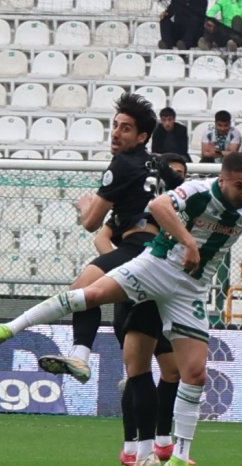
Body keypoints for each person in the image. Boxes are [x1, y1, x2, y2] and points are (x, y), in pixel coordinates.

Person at [0, 152, 242, 466]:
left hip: (191, 290)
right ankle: (10, 328)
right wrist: (188, 241)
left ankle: (178, 460)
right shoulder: (200, 191)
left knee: (195, 373)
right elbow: (158, 206)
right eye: (240, 185)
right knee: (92, 295)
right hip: (157, 266)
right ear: (223, 179)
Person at [34, 92, 158, 385]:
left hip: (137, 248)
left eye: (125, 128)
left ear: (141, 137)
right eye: (115, 125)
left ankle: (80, 355)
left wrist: (87, 206)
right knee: (144, 346)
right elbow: (104, 238)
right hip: (159, 255)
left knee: (81, 291)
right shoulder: (156, 167)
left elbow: (91, 224)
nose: (116, 133)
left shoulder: (122, 165)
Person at [93, 154, 187, 466]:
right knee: (138, 369)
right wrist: (126, 268)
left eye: (181, 175)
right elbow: (101, 235)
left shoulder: (182, 213)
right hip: (134, 291)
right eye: (171, 173)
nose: (176, 179)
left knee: (171, 370)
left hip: (161, 296)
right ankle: (133, 447)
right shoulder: (139, 213)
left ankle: (161, 443)